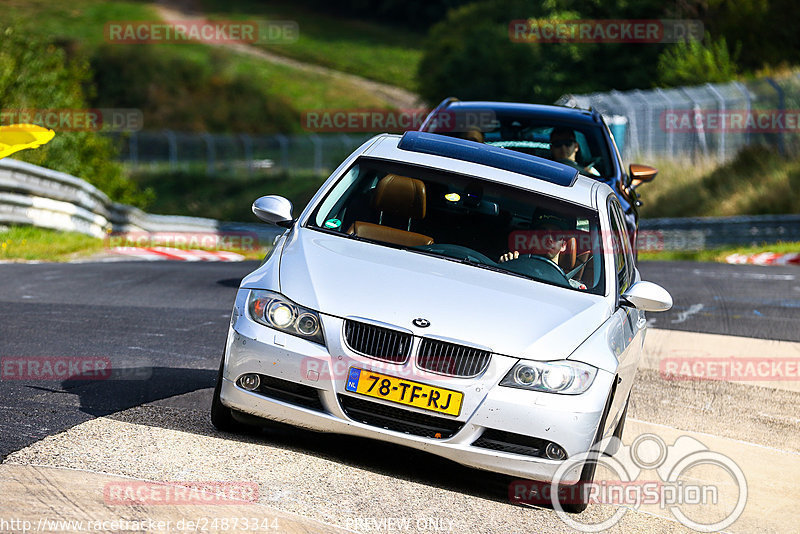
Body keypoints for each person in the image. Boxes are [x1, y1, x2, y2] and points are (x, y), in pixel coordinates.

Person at [498, 213, 587, 290]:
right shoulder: (514, 268)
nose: (548, 239)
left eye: (556, 235)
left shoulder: (574, 289)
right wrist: (504, 268)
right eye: (542, 234)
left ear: (563, 245)